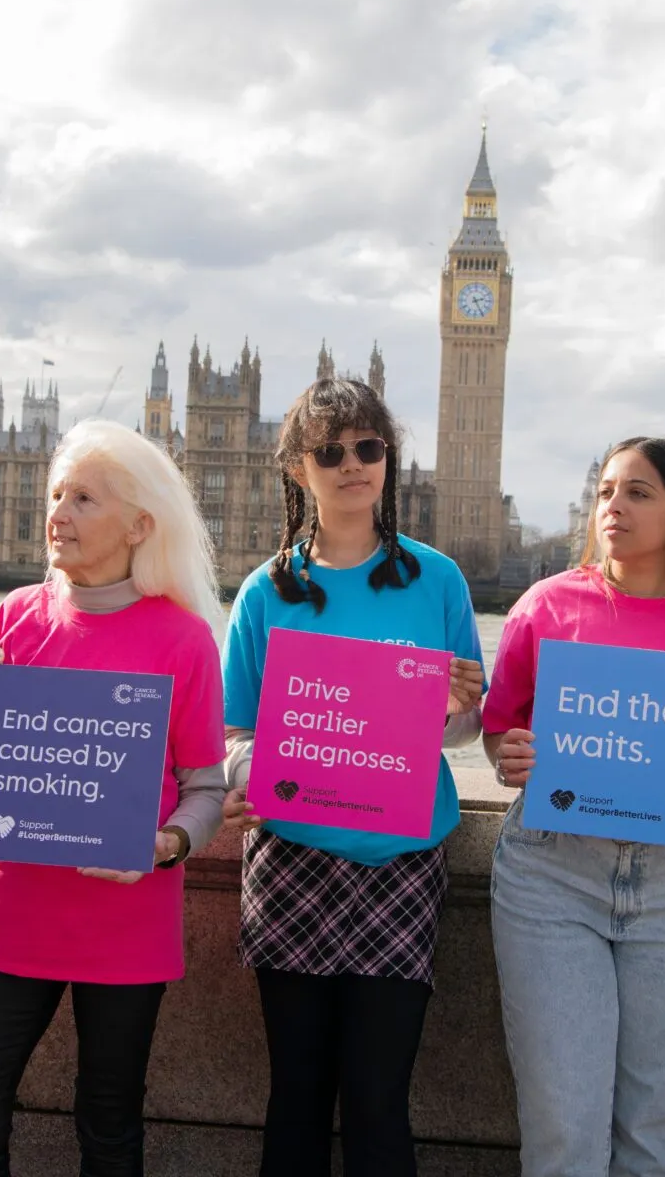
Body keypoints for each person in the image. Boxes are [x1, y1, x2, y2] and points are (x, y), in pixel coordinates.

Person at [0, 420, 227, 1177]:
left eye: (84, 498)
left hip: (126, 925)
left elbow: (205, 789)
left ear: (138, 524)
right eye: (55, 494)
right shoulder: (15, 615)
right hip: (9, 917)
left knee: (109, 1128)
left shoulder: (184, 639)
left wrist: (165, 845)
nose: (58, 512)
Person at [481, 437, 665, 1177]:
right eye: (607, 490)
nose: (614, 505)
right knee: (563, 1131)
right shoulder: (546, 606)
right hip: (553, 875)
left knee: (658, 1134)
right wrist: (508, 755)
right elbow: (501, 729)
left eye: (638, 492)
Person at [218, 377, 484, 1177]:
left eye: (368, 447)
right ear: (300, 470)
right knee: (295, 1095)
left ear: (388, 458)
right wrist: (260, 772)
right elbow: (233, 734)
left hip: (400, 865)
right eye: (329, 452)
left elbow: (467, 728)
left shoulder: (437, 580)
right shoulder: (266, 590)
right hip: (292, 859)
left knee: (377, 1100)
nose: (352, 465)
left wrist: (451, 707)